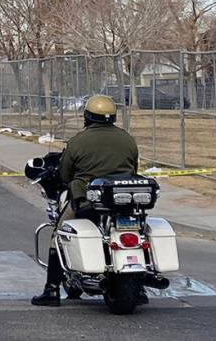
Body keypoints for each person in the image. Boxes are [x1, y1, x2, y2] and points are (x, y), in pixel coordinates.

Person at [31, 94, 139, 307]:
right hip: (124, 201)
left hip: (87, 200)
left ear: (87, 116)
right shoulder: (127, 139)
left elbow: (64, 174)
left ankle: (52, 290)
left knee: (59, 235)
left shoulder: (79, 141)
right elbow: (134, 168)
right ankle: (139, 286)